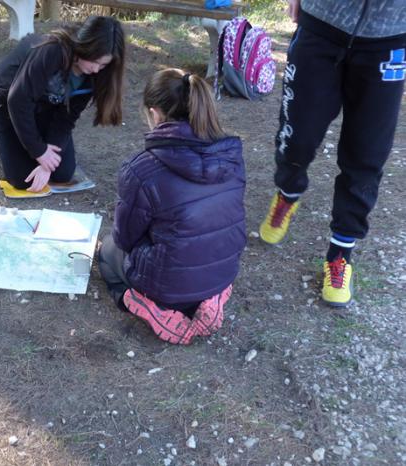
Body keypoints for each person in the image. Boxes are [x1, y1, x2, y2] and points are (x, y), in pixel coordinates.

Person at [259, 0, 406, 307]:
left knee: (367, 152)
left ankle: (341, 251)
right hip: (321, 26)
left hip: (389, 39)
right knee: (297, 137)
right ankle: (288, 192)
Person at [98, 69, 246, 345]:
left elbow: (125, 239)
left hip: (168, 287)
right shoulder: (231, 155)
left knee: (107, 252)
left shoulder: (142, 169)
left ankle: (149, 306)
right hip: (222, 272)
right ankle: (211, 297)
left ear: (155, 114)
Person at [0, 16, 125, 192]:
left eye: (103, 65)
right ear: (85, 47)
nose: (96, 69)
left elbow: (66, 118)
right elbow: (18, 101)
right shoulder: (52, 50)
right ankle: (5, 138)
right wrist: (39, 151)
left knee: (62, 174)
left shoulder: (94, 76)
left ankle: (26, 142)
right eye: (94, 61)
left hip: (47, 106)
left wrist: (47, 161)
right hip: (8, 104)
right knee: (23, 180)